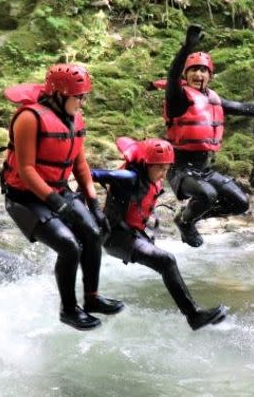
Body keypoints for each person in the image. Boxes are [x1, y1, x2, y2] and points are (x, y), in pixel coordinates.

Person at [0, 63, 123, 331]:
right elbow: (27, 170)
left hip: (57, 189)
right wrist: (58, 205)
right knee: (68, 245)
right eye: (79, 97)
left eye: (83, 97)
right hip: (24, 196)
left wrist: (94, 205)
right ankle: (69, 309)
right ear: (59, 94)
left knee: (93, 231)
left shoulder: (76, 119)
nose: (82, 102)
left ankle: (91, 299)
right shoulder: (29, 118)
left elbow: (80, 165)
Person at [160, 25, 254, 247]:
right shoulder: (177, 98)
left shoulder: (213, 99)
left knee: (240, 203)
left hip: (204, 170)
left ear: (210, 76)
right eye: (193, 70)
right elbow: (172, 76)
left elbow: (245, 107)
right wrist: (187, 47)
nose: (198, 74)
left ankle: (189, 217)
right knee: (207, 195)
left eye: (203, 71)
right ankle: (186, 222)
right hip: (180, 170)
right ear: (186, 74)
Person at [91, 137, 228, 330]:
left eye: (167, 168)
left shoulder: (148, 176)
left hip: (132, 234)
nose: (164, 174)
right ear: (146, 164)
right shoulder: (129, 177)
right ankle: (193, 315)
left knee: (166, 264)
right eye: (160, 168)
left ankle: (192, 314)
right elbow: (93, 174)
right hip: (115, 237)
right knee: (167, 261)